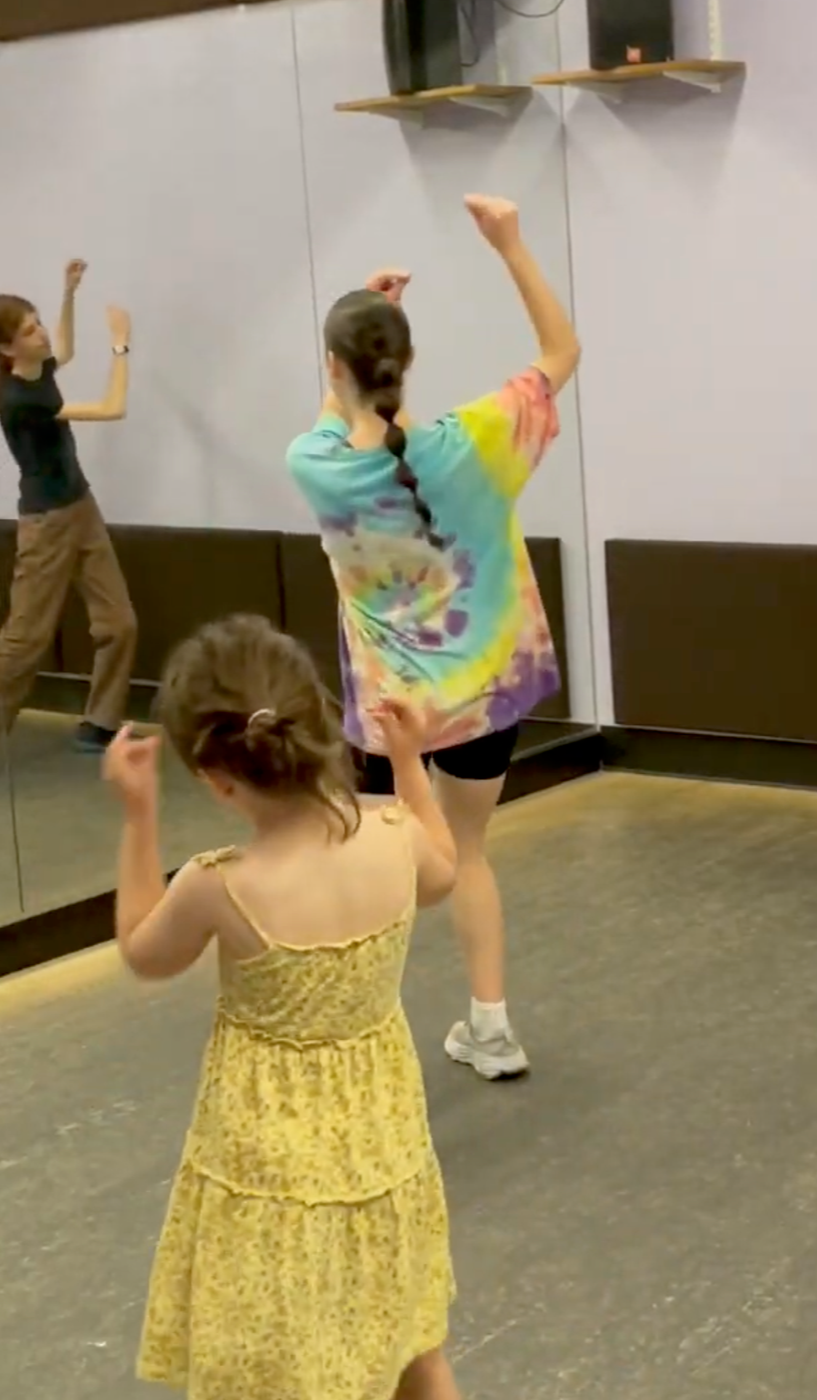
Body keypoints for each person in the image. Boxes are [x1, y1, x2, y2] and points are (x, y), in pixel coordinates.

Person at [108, 614, 464, 1400]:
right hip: (382, 1139)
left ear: (217, 778)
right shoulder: (395, 835)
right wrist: (407, 761)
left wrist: (138, 817)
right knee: (410, 1341)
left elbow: (143, 950)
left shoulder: (218, 884)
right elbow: (442, 874)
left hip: (269, 1166)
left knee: (284, 1365)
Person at [284, 193, 579, 1082]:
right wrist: (510, 246)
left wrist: (365, 334)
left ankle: (354, 1041)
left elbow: (336, 422)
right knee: (469, 852)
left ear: (336, 366)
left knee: (376, 869)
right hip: (486, 696)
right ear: (405, 369)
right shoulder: (473, 443)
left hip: (394, 712)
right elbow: (561, 353)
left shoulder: (317, 464)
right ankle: (491, 1029)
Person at [0, 259, 137, 781]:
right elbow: (112, 407)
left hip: (81, 507)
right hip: (47, 523)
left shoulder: (38, 369)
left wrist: (69, 294)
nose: (42, 332)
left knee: (120, 623)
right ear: (8, 349)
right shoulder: (20, 400)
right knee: (25, 637)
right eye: (30, 329)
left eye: (38, 321)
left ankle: (98, 724)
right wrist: (121, 345)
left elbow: (66, 348)